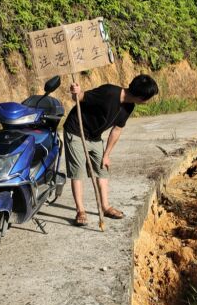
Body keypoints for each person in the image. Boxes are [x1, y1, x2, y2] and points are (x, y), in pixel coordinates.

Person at [63, 74, 159, 226]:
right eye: (149, 98)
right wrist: (77, 92)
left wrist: (106, 154)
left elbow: (117, 130)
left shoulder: (129, 106)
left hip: (95, 136)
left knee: (102, 169)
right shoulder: (109, 92)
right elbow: (81, 98)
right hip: (76, 130)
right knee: (78, 172)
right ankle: (80, 210)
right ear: (142, 97)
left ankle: (105, 207)